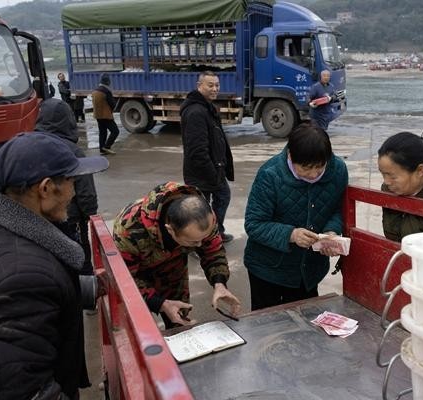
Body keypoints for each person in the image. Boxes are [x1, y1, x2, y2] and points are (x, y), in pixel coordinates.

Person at [0, 132, 109, 399]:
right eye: (71, 182)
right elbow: (23, 391)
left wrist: (86, 288)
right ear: (45, 189)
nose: (74, 193)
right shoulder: (23, 282)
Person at [244, 125, 348, 311]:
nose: (314, 174)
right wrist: (291, 234)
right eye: (306, 168)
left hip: (309, 270)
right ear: (290, 155)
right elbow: (254, 224)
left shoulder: (337, 170)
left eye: (320, 167)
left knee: (306, 319)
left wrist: (331, 231)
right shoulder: (270, 174)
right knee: (268, 322)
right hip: (268, 270)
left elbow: (339, 209)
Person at [112, 181, 242, 329]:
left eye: (202, 239)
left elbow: (212, 250)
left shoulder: (203, 216)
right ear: (170, 230)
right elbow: (125, 280)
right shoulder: (128, 230)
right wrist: (159, 303)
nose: (200, 245)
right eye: (193, 241)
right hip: (137, 272)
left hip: (174, 269)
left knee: (179, 319)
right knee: (139, 326)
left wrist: (219, 283)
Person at [35, 98, 105, 274]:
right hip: (70, 219)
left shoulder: (31, 146)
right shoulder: (72, 151)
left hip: (39, 220)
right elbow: (85, 190)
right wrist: (90, 214)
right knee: (80, 260)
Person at [180, 71, 235, 243]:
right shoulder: (196, 112)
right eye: (210, 85)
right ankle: (202, 241)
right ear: (199, 86)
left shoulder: (207, 108)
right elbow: (197, 151)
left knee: (222, 197)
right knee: (200, 211)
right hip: (202, 173)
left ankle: (214, 233)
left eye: (217, 85)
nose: (215, 89)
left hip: (214, 169)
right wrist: (212, 174)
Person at [92, 74, 119, 155]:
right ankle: (107, 147)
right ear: (107, 82)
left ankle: (102, 149)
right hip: (106, 115)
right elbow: (113, 104)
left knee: (102, 132)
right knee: (115, 131)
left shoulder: (95, 91)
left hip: (98, 115)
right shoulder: (106, 91)